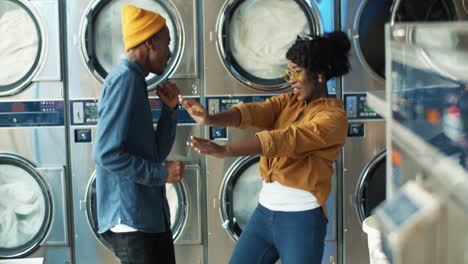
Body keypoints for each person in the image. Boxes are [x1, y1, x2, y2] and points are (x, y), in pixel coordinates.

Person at [179, 31, 351, 264]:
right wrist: (210, 118)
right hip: (264, 214)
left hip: (301, 220)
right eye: (288, 71)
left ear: (320, 76)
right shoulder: (289, 102)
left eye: (297, 72)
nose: (290, 78)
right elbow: (253, 112)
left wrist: (225, 151)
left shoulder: (333, 118)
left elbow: (285, 140)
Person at [92, 5, 184, 264]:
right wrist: (162, 174)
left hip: (147, 217)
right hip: (132, 222)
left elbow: (154, 153)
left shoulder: (135, 80)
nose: (170, 52)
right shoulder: (124, 80)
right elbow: (106, 153)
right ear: (149, 42)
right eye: (166, 43)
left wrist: (169, 111)